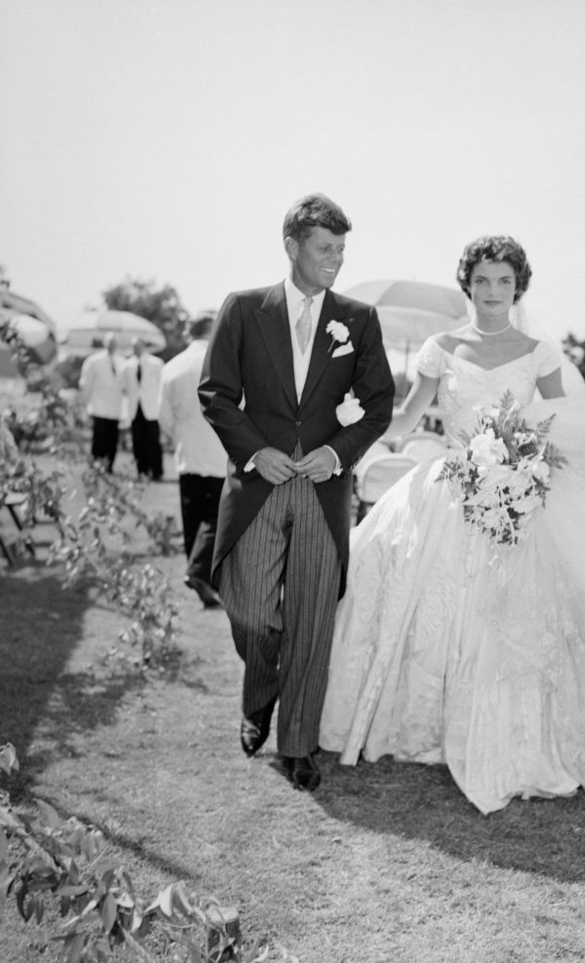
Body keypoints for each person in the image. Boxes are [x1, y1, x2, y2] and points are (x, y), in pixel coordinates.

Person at [319, 235, 585, 814]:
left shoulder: (539, 352)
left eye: (505, 282)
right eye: (484, 280)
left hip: (516, 493)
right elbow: (408, 415)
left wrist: (525, 461)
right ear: (467, 283)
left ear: (519, 287)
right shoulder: (441, 347)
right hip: (448, 488)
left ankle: (512, 733)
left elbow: (565, 423)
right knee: (414, 593)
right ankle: (423, 724)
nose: (493, 292)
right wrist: (344, 420)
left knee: (512, 612)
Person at [198, 192, 395, 791]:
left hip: (324, 489)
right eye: (323, 248)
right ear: (292, 246)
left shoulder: (358, 319)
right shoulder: (242, 308)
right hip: (259, 484)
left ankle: (299, 744)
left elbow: (380, 403)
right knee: (252, 609)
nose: (335, 259)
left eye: (341, 249)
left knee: (312, 618)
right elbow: (216, 394)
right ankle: (260, 692)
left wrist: (336, 453)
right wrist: (258, 451)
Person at [158, 314, 228, 609]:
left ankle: (196, 572)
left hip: (187, 454)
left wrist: (180, 436)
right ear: (212, 331)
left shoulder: (172, 366)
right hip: (220, 450)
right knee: (216, 517)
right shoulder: (225, 361)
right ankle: (203, 575)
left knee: (193, 518)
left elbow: (163, 416)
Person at [78, 333, 126, 472]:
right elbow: (85, 383)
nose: (112, 346)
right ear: (105, 343)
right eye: (109, 342)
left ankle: (109, 465)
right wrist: (86, 403)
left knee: (112, 439)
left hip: (115, 407)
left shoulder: (122, 361)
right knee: (99, 438)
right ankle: (96, 464)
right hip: (99, 406)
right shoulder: (94, 361)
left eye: (114, 343)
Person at [125, 338, 164, 480]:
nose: (136, 349)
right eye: (134, 346)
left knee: (153, 441)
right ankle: (142, 471)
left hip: (151, 408)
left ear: (144, 346)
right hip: (135, 408)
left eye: (138, 346)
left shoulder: (156, 363)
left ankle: (157, 471)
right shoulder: (128, 365)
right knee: (138, 442)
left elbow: (162, 385)